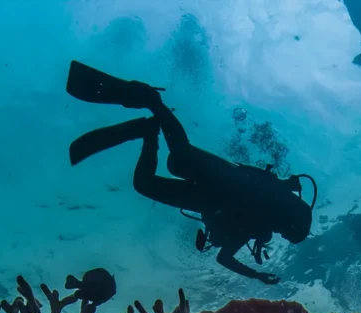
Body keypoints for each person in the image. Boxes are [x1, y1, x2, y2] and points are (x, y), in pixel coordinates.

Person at [66, 61, 317, 285]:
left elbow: (223, 257)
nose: (281, 234)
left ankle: (147, 132)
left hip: (203, 200)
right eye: (287, 233)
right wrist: (257, 274)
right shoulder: (270, 202)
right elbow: (269, 190)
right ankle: (152, 101)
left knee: (145, 184)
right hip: (225, 178)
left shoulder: (257, 226)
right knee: (179, 156)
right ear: (291, 222)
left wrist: (257, 275)